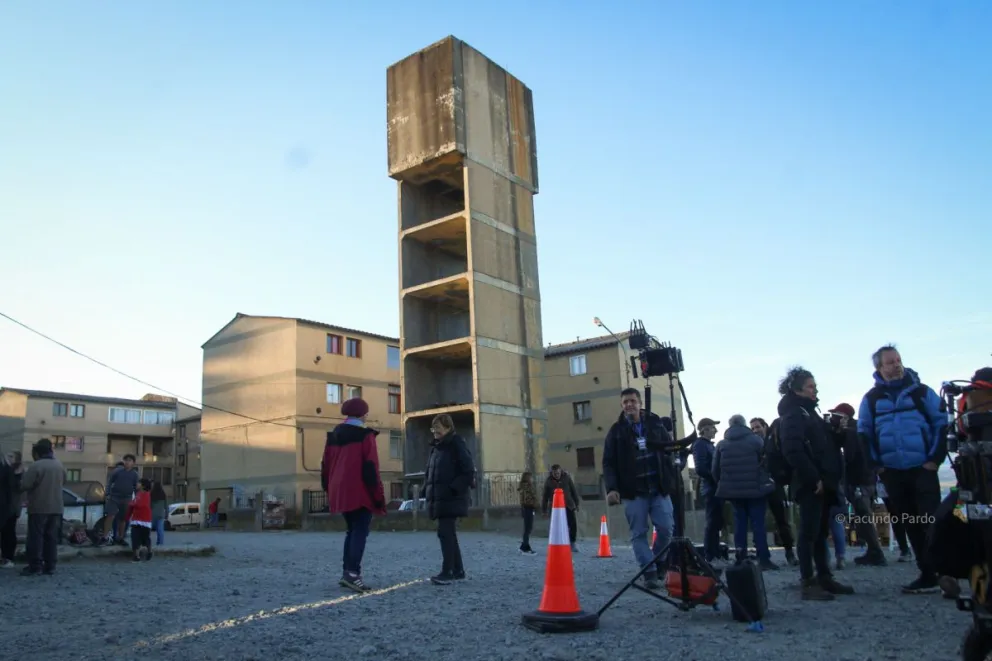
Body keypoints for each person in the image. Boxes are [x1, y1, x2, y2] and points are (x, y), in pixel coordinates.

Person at [857, 344, 946, 594]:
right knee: (910, 523)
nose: (896, 365)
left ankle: (945, 570)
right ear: (879, 368)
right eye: (890, 362)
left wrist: (934, 461)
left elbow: (941, 423)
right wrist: (878, 467)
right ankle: (927, 574)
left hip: (923, 468)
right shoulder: (871, 399)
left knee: (931, 520)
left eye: (898, 360)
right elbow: (864, 433)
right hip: (893, 471)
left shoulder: (922, 392)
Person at [777, 367, 853, 600]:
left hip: (824, 481)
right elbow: (793, 450)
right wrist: (814, 478)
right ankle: (808, 582)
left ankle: (824, 576)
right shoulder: (794, 414)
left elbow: (824, 446)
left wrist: (839, 433)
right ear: (797, 389)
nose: (815, 390)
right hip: (812, 483)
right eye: (810, 386)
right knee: (809, 533)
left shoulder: (809, 413)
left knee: (820, 532)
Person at [602, 387, 679, 591]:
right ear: (622, 405)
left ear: (640, 403)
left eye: (633, 401)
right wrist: (612, 488)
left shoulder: (654, 424)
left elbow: (668, 450)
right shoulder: (616, 431)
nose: (629, 405)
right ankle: (649, 571)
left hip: (658, 488)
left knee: (666, 529)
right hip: (633, 491)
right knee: (638, 533)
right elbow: (608, 462)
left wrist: (672, 476)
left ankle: (658, 562)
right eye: (625, 402)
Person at [321, 397, 386, 593]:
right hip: (359, 490)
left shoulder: (333, 436)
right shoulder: (366, 436)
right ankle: (352, 573)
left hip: (339, 489)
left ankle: (347, 572)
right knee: (360, 531)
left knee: (352, 530)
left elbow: (325, 466)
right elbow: (370, 467)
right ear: (363, 414)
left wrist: (329, 488)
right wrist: (378, 495)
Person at [712, 414, 778, 570]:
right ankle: (764, 559)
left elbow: (715, 470)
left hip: (734, 493)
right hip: (756, 491)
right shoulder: (756, 441)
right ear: (744, 425)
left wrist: (725, 484)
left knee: (739, 524)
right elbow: (766, 463)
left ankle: (740, 557)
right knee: (758, 524)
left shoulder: (722, 444)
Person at [826, 403, 886, 567]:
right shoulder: (860, 429)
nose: (832, 419)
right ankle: (873, 551)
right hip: (867, 479)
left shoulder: (851, 432)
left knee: (864, 517)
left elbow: (851, 457)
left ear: (844, 417)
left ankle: (876, 552)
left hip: (858, 480)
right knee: (864, 516)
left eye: (835, 415)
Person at [423, 413, 476, 586]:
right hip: (441, 498)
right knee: (448, 534)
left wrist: (454, 488)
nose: (435, 431)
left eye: (437, 428)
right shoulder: (437, 447)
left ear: (447, 427)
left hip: (451, 498)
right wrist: (426, 489)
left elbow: (468, 470)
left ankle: (448, 571)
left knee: (446, 533)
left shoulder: (455, 444)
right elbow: (431, 473)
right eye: (433, 428)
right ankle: (458, 570)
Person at [750, 417, 797, 566]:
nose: (755, 431)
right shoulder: (752, 445)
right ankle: (763, 555)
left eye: (757, 427)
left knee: (782, 520)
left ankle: (789, 551)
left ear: (764, 427)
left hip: (774, 485)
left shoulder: (774, 442)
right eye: (752, 428)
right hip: (759, 486)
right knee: (758, 522)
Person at [19, 439, 66, 576]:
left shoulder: (36, 466)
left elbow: (25, 485)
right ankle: (50, 565)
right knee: (51, 537)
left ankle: (35, 566)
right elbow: (65, 481)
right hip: (56, 507)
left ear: (37, 453)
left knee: (36, 537)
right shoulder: (59, 465)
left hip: (39, 506)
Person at [691, 417, 723, 564]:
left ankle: (715, 552)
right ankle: (710, 555)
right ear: (704, 429)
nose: (715, 430)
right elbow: (701, 468)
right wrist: (716, 478)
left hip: (716, 488)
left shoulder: (709, 445)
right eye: (712, 427)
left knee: (716, 522)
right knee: (712, 522)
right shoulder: (700, 445)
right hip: (711, 489)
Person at [541, 465, 581, 552]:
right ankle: (559, 544)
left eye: (558, 473)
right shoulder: (549, 481)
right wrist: (544, 510)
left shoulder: (566, 478)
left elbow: (573, 491)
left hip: (568, 505)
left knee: (573, 525)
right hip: (556, 509)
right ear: (552, 473)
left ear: (560, 472)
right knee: (557, 527)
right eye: (555, 473)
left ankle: (572, 543)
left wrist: (577, 504)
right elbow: (545, 497)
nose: (557, 475)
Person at [106, 455, 138, 544]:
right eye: (126, 460)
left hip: (127, 498)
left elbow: (136, 487)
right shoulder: (117, 471)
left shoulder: (134, 474)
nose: (127, 462)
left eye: (130, 460)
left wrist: (137, 499)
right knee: (110, 516)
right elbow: (109, 481)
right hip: (114, 497)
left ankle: (121, 538)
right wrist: (107, 493)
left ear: (133, 463)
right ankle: (105, 537)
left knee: (123, 519)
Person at [0, 451, 24, 568]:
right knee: (7, 532)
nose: (7, 457)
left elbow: (19, 488)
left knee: (8, 532)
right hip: (7, 506)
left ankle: (8, 557)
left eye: (11, 456)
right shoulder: (7, 469)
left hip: (11, 507)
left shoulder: (17, 472)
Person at [126, 478, 154, 562]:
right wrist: (127, 517)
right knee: (135, 537)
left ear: (143, 485)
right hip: (136, 520)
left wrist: (132, 503)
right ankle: (136, 556)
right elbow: (132, 506)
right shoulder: (138, 494)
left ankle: (149, 551)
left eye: (139, 483)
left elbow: (141, 504)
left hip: (145, 521)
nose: (137, 484)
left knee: (145, 538)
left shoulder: (147, 494)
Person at [517, 471, 538, 554]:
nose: (532, 479)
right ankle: (525, 546)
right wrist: (535, 503)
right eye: (531, 477)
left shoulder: (527, 486)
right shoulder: (526, 487)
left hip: (529, 508)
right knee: (528, 528)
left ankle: (524, 545)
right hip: (527, 508)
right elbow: (526, 498)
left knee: (528, 528)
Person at [150, 481, 169, 546]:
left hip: (152, 514)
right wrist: (167, 514)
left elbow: (149, 505)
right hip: (161, 514)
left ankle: (146, 542)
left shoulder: (151, 494)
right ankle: (160, 543)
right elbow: (166, 506)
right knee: (160, 530)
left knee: (148, 529)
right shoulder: (163, 494)